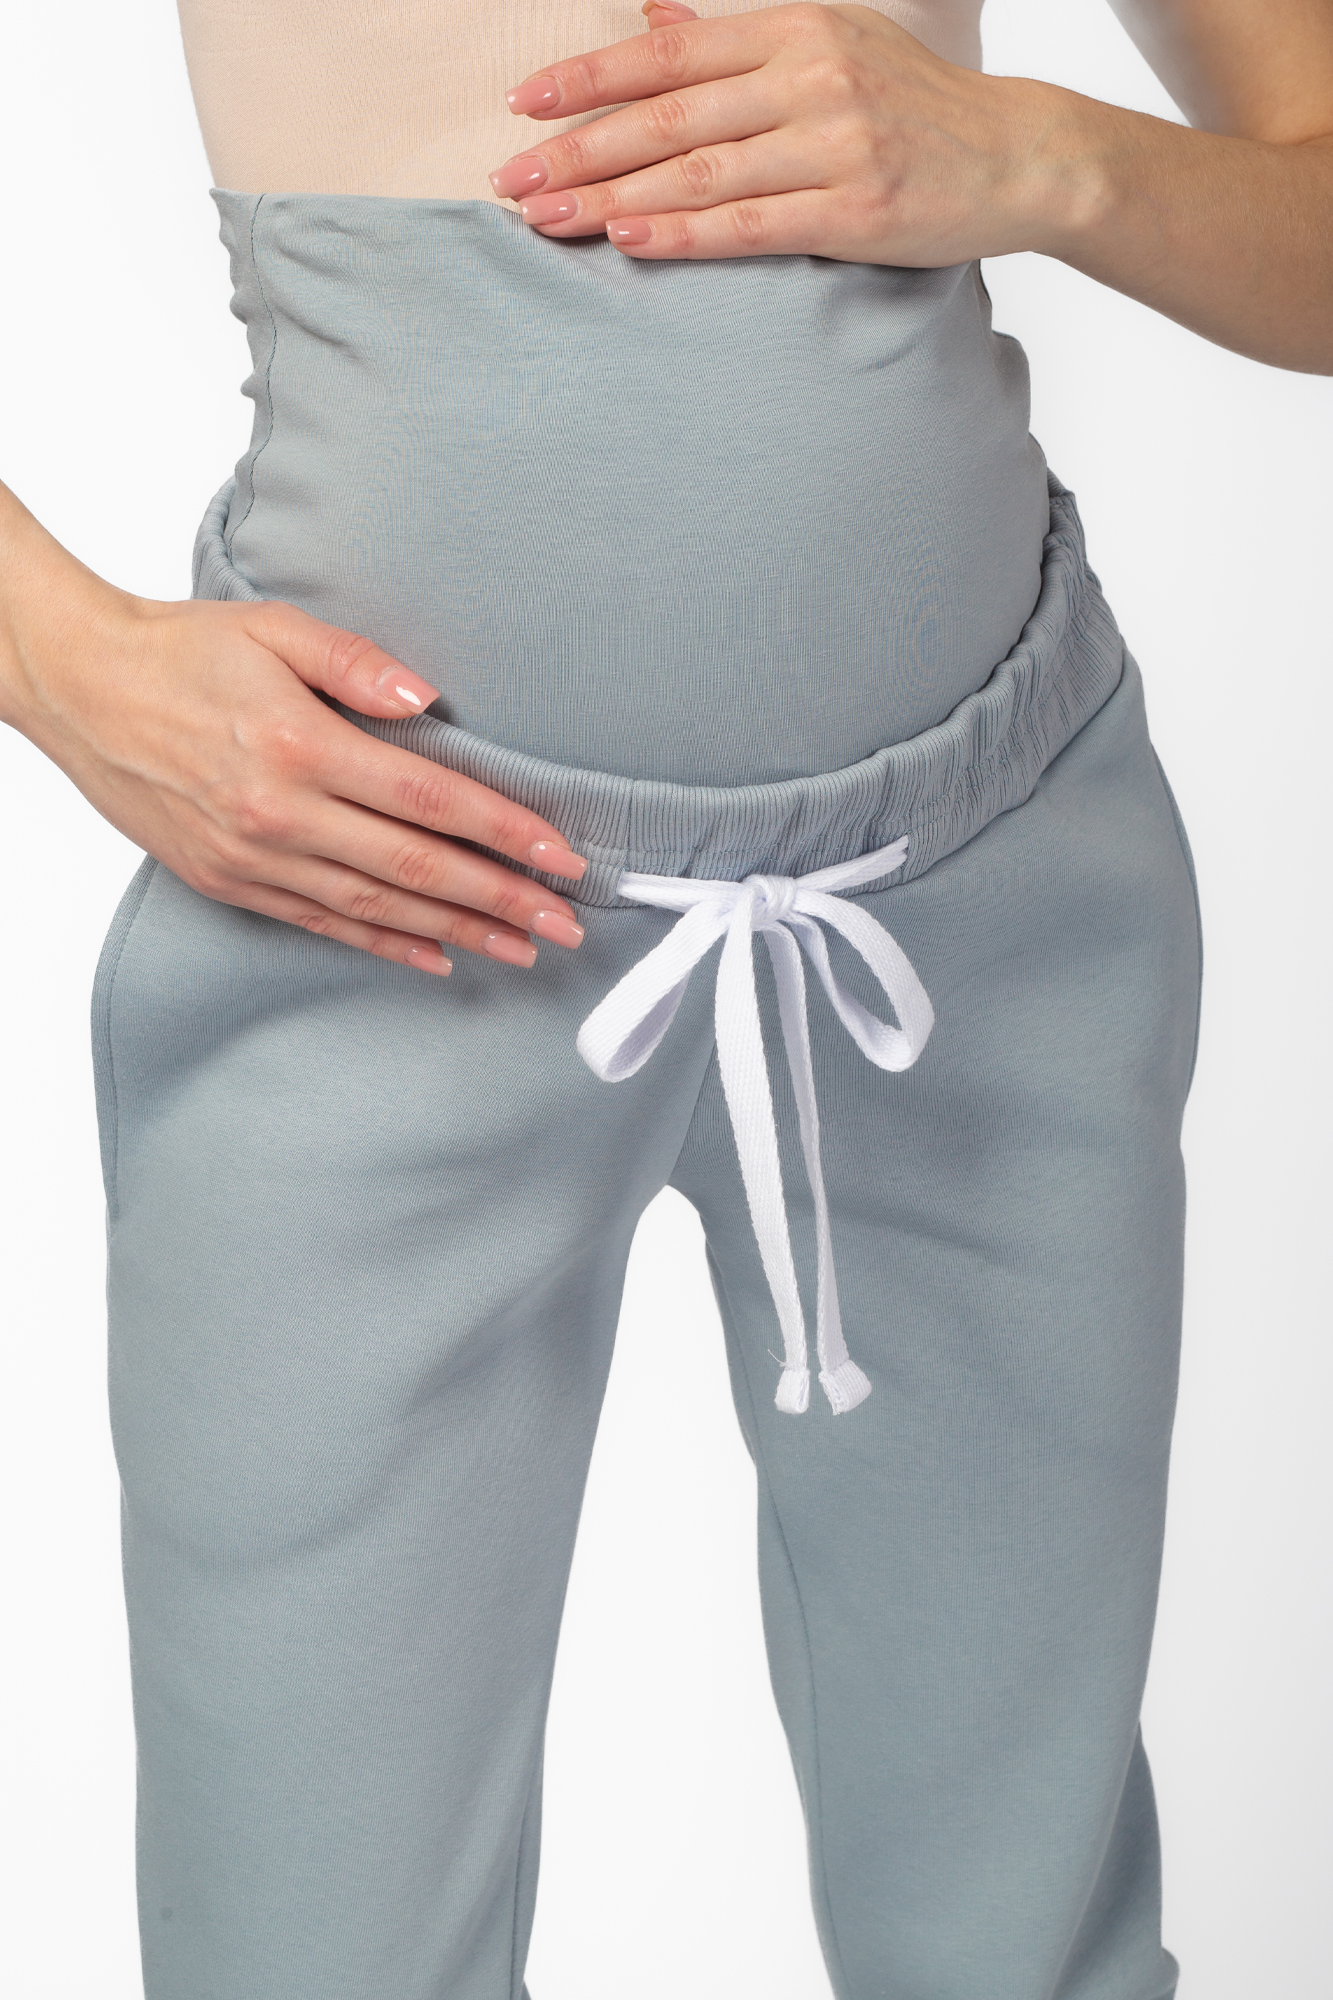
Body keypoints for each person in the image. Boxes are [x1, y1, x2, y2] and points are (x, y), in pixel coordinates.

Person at [0, 5, 1329, 1997]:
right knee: (312, 1944)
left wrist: (1045, 157)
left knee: (1025, 1947)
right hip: (369, 901)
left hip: (981, 891)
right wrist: (65, 661)